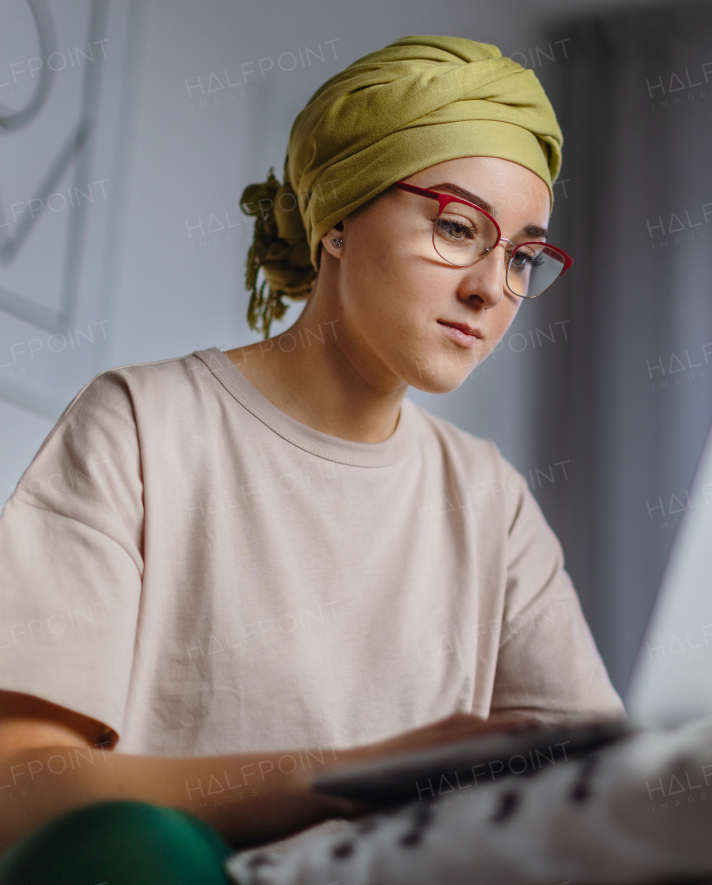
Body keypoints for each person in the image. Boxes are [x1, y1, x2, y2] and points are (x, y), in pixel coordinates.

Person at [0, 35, 622, 883]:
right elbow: (21, 787)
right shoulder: (142, 426)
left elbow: (600, 787)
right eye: (455, 227)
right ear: (337, 217)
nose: (489, 288)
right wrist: (341, 777)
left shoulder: (490, 502)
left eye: (521, 258)